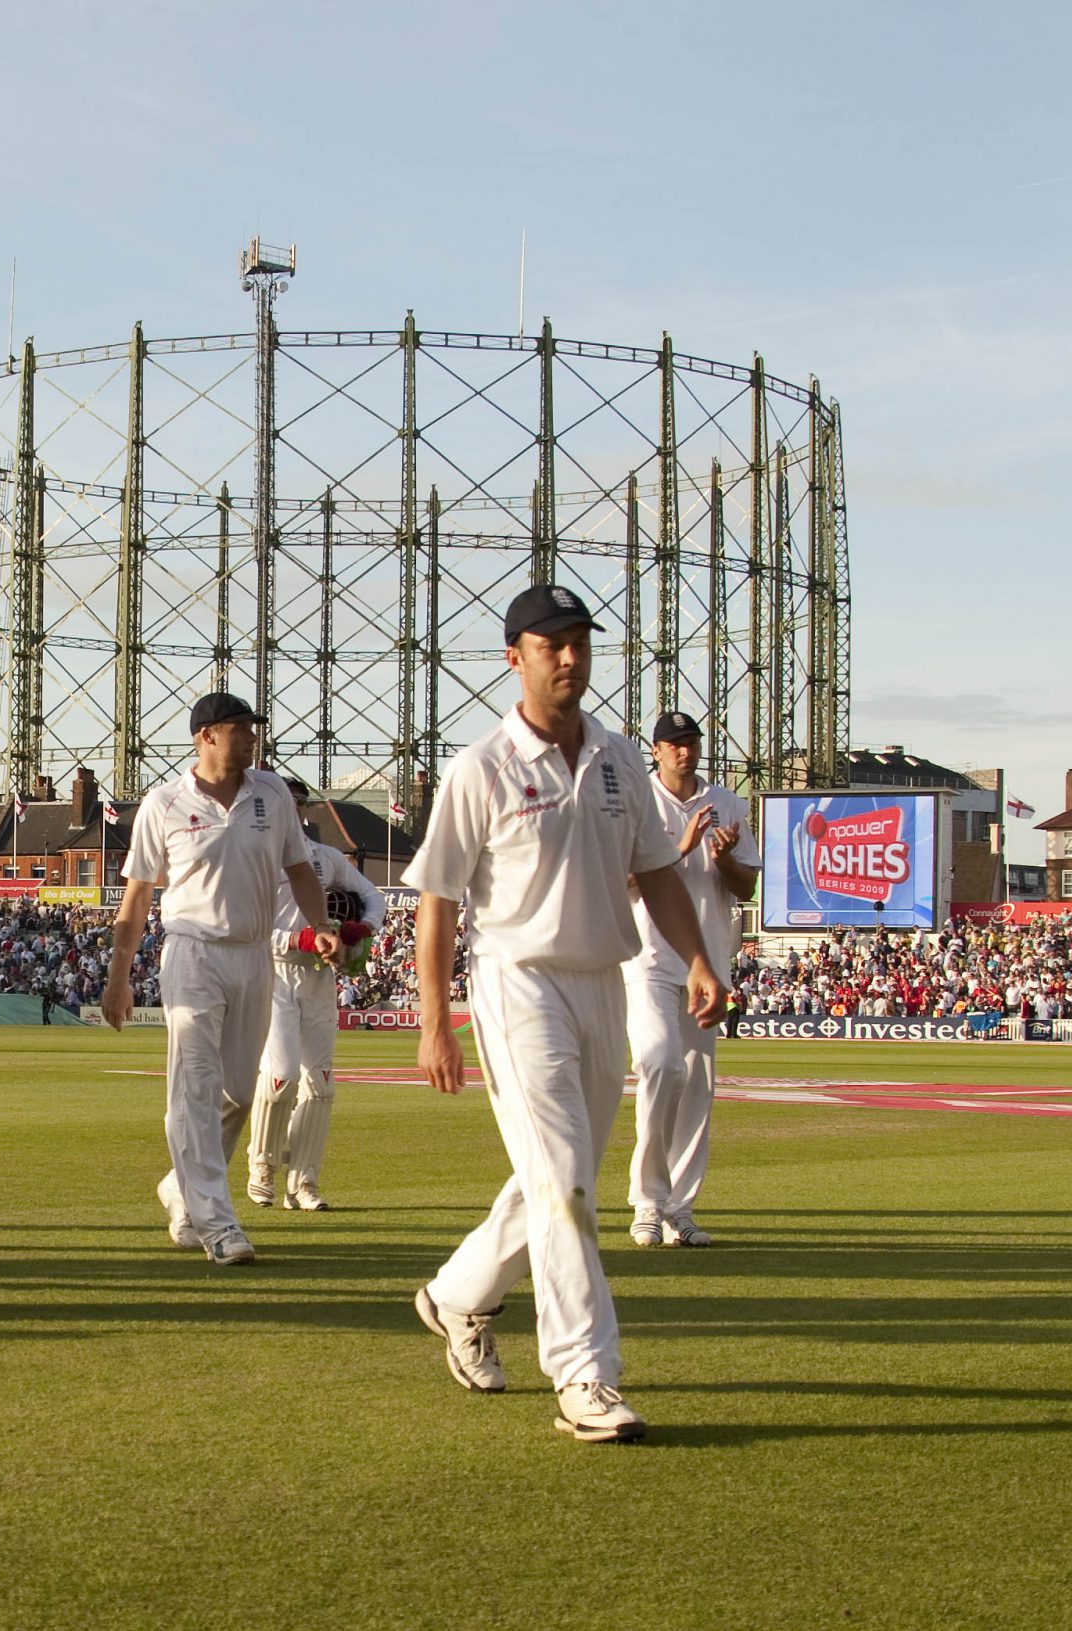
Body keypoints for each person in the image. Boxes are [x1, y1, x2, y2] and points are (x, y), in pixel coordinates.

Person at [406, 583, 725, 1444]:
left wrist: (696, 955)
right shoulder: (482, 768)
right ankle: (585, 1373)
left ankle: (458, 1293)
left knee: (558, 1176)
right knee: (569, 1183)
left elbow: (658, 870)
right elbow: (437, 900)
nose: (571, 657)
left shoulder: (621, 759)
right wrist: (436, 1019)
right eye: (552, 645)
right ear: (516, 657)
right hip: (518, 982)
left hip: (603, 982)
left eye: (581, 641)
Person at [99, 694, 333, 1267]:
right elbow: (137, 895)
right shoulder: (165, 804)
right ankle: (217, 1222)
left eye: (253, 729)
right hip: (193, 954)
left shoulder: (272, 793)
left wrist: (322, 924)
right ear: (206, 736)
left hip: (255, 956)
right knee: (194, 1086)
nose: (252, 738)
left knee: (238, 1092)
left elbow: (299, 869)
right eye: (240, 729)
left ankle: (181, 1191)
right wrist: (118, 975)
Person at [623, 712, 758, 1248]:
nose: (685, 750)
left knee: (698, 1085)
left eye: (691, 741)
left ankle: (680, 1208)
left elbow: (745, 887)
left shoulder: (729, 803)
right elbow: (619, 881)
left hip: (708, 961)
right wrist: (675, 851)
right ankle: (647, 1202)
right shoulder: (639, 801)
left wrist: (723, 860)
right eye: (674, 743)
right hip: (648, 956)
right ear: (654, 750)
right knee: (659, 1063)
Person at [248, 781, 389, 1212]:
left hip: (318, 979)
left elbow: (373, 897)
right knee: (281, 1078)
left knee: (321, 1083)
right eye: (283, 804)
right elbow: (248, 928)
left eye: (297, 804)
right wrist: (299, 938)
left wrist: (360, 929)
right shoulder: (257, 857)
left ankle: (303, 1181)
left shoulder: (325, 858)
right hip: (275, 976)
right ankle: (262, 1167)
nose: (291, 810)